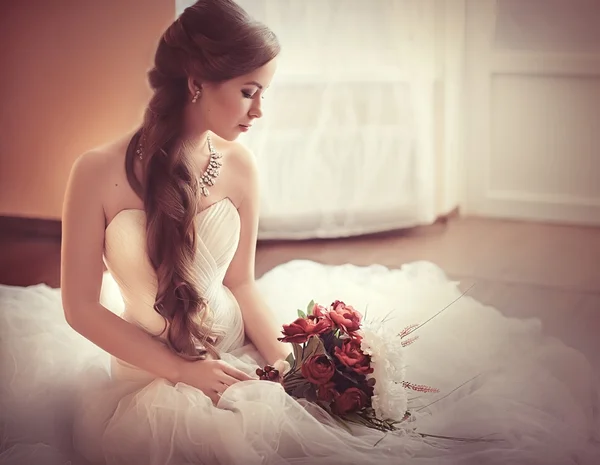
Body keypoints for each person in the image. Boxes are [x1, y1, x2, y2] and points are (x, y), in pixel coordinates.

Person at [0, 1, 598, 464]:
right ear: (196, 83)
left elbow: (242, 284)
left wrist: (292, 365)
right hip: (149, 375)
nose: (259, 111)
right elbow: (79, 307)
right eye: (249, 91)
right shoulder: (96, 171)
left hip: (238, 356)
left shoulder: (239, 167)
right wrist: (182, 371)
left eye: (265, 92)